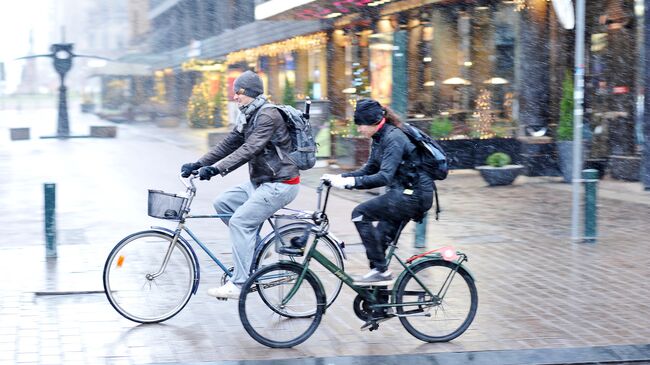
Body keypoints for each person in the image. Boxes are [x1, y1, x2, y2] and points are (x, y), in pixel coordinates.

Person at [180, 70, 300, 299]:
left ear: (252, 94)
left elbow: (250, 148)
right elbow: (229, 143)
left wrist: (217, 169)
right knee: (223, 203)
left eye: (239, 93)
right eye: (235, 92)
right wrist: (198, 164)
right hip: (262, 182)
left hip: (281, 183)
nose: (235, 97)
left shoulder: (267, 116)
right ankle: (256, 254)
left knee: (240, 222)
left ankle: (240, 283)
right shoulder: (248, 115)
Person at [323, 99, 434, 286]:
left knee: (359, 214)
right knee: (378, 245)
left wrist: (350, 183)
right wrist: (339, 178)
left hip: (413, 195)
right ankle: (380, 304)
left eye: (361, 125)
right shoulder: (379, 138)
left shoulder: (394, 138)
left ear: (374, 122)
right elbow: (368, 170)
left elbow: (384, 177)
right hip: (403, 193)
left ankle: (381, 272)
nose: (359, 129)